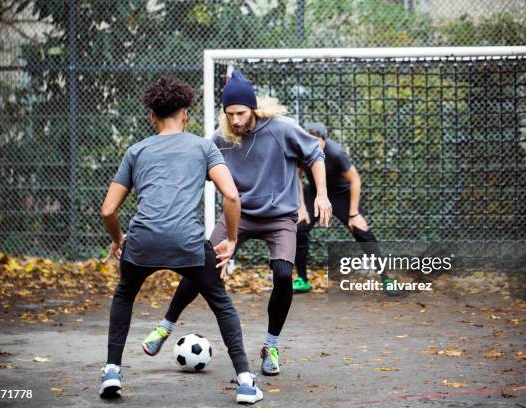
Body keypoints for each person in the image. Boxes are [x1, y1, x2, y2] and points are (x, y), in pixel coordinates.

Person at [143, 71, 332, 377]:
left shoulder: (282, 129)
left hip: (280, 217)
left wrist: (321, 195)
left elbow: (315, 154)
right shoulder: (222, 137)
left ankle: (271, 345)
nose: (236, 121)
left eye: (241, 113)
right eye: (229, 114)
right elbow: (196, 167)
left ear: (253, 108)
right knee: (202, 264)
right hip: (239, 217)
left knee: (284, 275)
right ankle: (165, 327)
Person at [100, 76, 263, 404]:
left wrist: (118, 240)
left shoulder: (136, 151)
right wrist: (231, 240)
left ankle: (112, 372)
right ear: (186, 114)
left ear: (152, 117)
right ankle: (246, 383)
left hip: (141, 242)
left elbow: (107, 210)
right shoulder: (204, 147)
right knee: (221, 303)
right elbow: (231, 196)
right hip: (187, 243)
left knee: (124, 296)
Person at [293, 122, 398, 295]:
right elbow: (296, 177)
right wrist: (302, 207)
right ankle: (303, 280)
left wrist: (354, 213)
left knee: (361, 231)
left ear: (324, 140)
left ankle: (386, 279)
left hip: (341, 194)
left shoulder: (336, 153)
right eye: (308, 140)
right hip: (317, 193)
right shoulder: (302, 151)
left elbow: (355, 180)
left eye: (316, 140)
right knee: (300, 228)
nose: (312, 144)